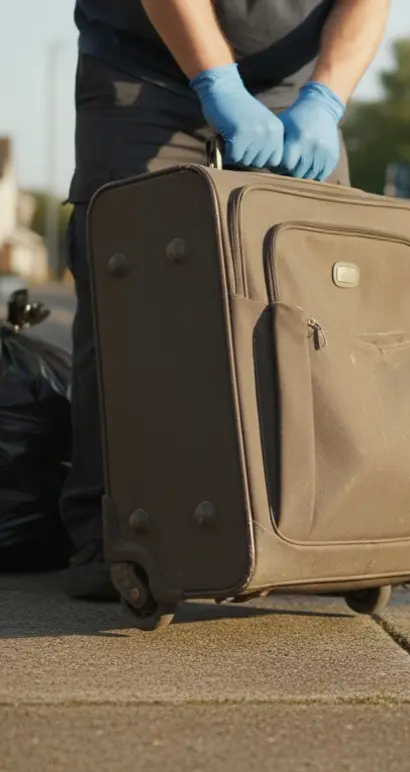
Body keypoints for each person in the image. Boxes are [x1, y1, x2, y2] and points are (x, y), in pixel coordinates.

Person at [61, 0, 391, 600]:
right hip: (145, 68)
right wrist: (216, 80)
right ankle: (111, 531)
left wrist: (326, 100)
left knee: (321, 300)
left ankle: (319, 527)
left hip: (297, 88)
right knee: (132, 286)